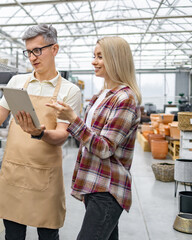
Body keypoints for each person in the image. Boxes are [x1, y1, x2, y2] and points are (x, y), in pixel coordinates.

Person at [0, 24, 81, 240]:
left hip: (45, 176)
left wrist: (40, 133)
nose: (32, 57)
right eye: (29, 52)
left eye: (38, 50)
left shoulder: (70, 90)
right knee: (12, 234)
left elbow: (61, 136)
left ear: (54, 49)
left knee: (48, 233)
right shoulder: (17, 82)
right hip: (14, 171)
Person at [47, 36, 141, 240]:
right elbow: (90, 135)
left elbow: (105, 148)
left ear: (115, 60)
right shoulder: (100, 96)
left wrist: (73, 120)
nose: (94, 61)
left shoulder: (125, 99)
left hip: (107, 188)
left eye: (100, 57)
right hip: (94, 184)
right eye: (94, 56)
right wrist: (68, 117)